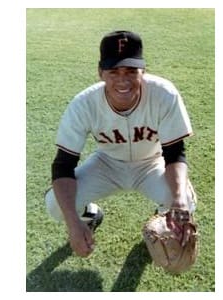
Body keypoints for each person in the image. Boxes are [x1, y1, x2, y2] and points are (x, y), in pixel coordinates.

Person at [45, 30, 197, 258]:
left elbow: (175, 153)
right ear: (100, 73)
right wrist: (74, 224)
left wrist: (177, 200)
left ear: (143, 71)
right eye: (113, 71)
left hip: (151, 163)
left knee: (185, 201)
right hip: (107, 164)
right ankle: (90, 214)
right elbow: (63, 165)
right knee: (55, 205)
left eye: (131, 71)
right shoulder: (83, 104)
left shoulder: (164, 94)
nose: (122, 79)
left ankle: (164, 215)